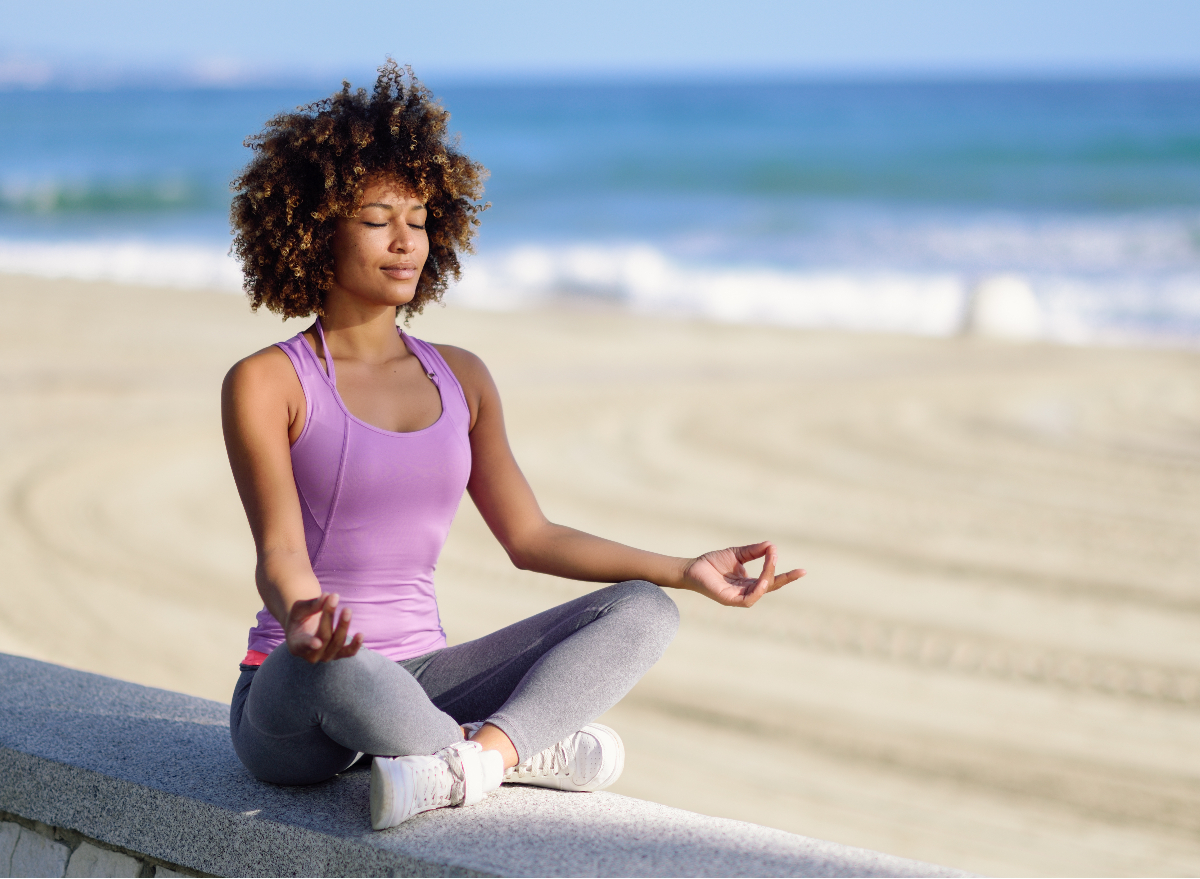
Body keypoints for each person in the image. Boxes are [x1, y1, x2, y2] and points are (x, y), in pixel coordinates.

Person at [222, 62, 804, 831]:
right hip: (299, 690)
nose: (406, 242)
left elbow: (530, 537)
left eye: (421, 219)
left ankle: (476, 757)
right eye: (376, 219)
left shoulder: (462, 377)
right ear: (315, 226)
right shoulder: (268, 381)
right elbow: (279, 553)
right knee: (334, 661)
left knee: (644, 610)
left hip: (422, 685)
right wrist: (302, 616)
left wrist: (683, 570)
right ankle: (517, 751)